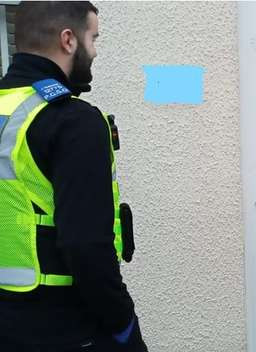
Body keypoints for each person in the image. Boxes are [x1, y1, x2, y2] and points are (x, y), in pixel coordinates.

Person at [0, 2, 146, 351]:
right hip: (67, 327)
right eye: (92, 38)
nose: (94, 51)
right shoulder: (73, 121)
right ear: (68, 40)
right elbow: (86, 247)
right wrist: (125, 325)